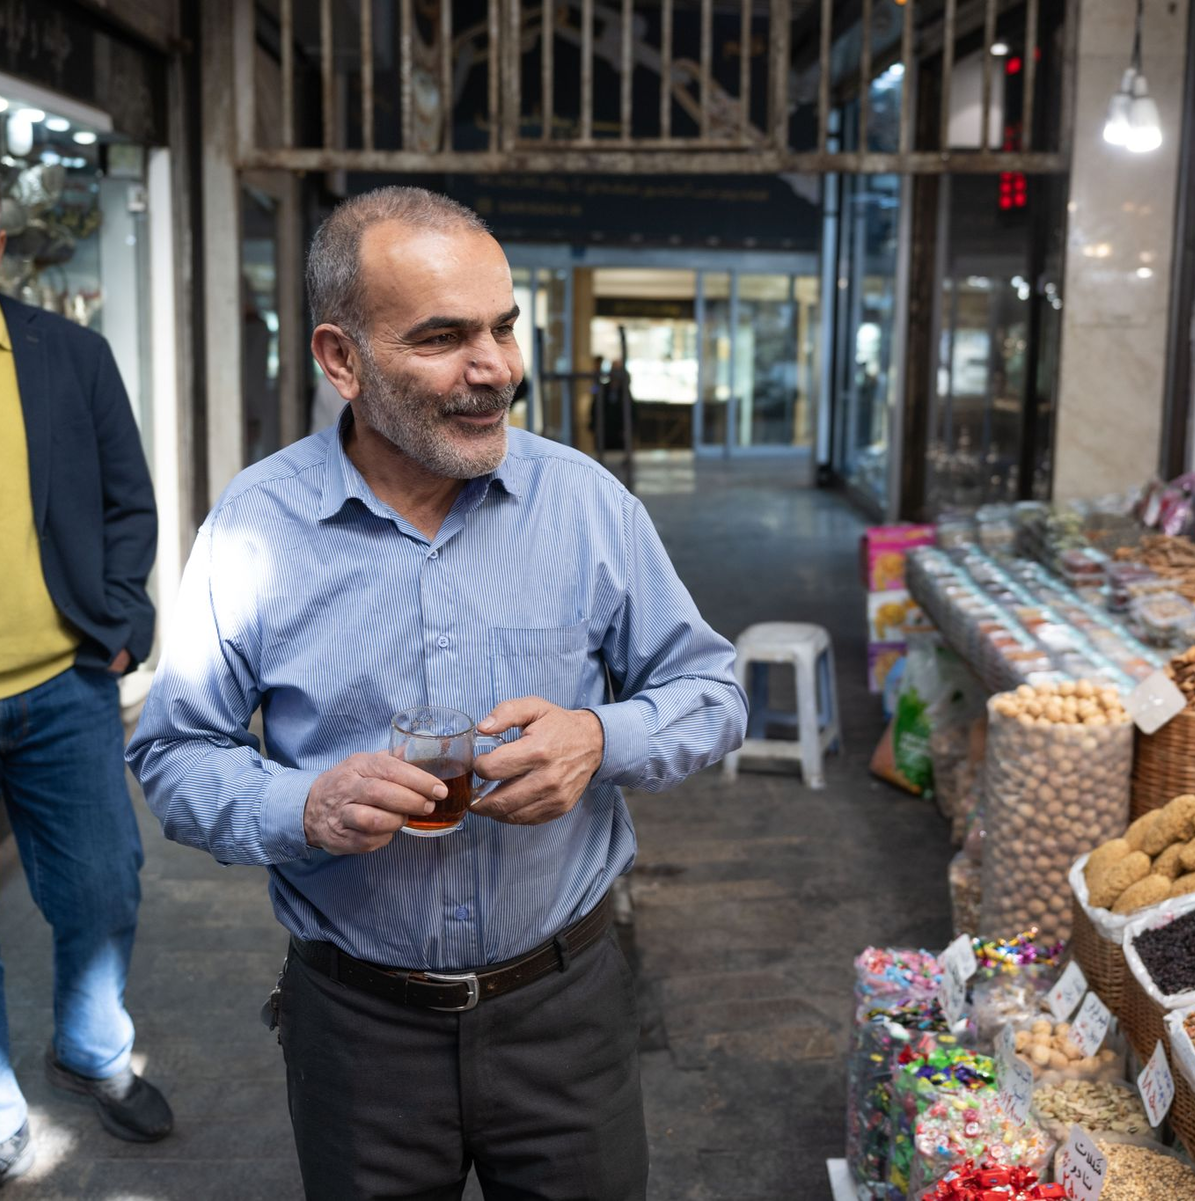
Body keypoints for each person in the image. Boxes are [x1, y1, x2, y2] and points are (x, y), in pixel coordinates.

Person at [126, 186, 745, 1200]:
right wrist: (303, 804)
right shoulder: (255, 528)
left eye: (504, 326)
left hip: (566, 1011)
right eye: (444, 336)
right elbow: (171, 753)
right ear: (341, 360)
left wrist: (599, 733)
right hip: (358, 1028)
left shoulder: (587, 506)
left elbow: (711, 689)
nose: (496, 365)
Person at [0, 230, 172, 1182]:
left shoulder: (70, 354)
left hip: (65, 680)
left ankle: (93, 1051)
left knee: (104, 885)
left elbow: (126, 502)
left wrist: (122, 619)